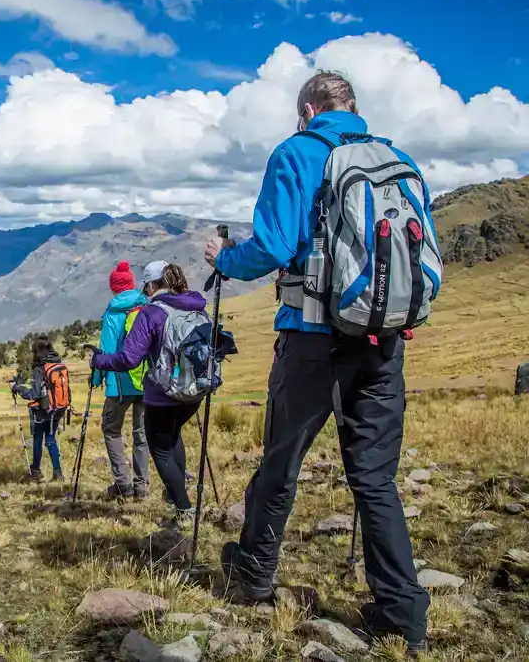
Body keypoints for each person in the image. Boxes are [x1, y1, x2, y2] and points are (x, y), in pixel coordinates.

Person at [204, 71, 432, 655]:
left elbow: (274, 248)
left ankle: (253, 579)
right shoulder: (398, 159)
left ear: (307, 109)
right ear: (353, 108)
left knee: (281, 463)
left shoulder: (296, 152)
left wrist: (225, 259)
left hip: (311, 339)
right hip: (384, 342)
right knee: (375, 479)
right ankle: (402, 615)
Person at [92, 261, 207, 524]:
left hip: (163, 391)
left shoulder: (152, 313)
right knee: (172, 436)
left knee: (161, 449)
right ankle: (175, 494)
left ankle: (184, 509)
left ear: (152, 285)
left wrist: (99, 362)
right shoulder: (197, 306)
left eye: (147, 285)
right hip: (194, 389)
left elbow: (129, 358)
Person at [93, 261, 151, 501]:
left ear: (114, 287)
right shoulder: (146, 306)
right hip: (146, 380)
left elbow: (105, 349)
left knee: (111, 429)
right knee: (142, 433)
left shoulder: (112, 312)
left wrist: (97, 376)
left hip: (119, 383)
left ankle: (123, 484)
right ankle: (142, 487)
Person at [12, 335, 66, 482]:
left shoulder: (39, 367)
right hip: (58, 409)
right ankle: (58, 472)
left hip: (42, 411)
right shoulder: (58, 364)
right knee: (50, 439)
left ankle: (36, 471)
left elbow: (34, 393)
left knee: (37, 439)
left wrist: (18, 388)